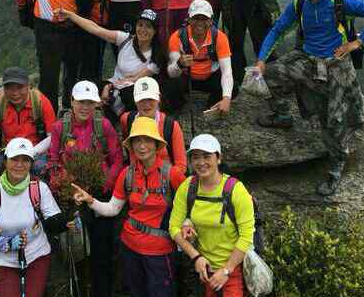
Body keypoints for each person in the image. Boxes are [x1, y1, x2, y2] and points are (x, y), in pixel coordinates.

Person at [256, 0, 364, 195]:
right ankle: (282, 114)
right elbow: (277, 30)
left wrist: (356, 43)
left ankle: (336, 167)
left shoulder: (340, 1)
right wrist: (260, 61)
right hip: (307, 61)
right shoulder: (299, 5)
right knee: (270, 75)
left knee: (334, 120)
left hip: (336, 64)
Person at [72, 116, 186, 297]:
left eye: (147, 140)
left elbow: (188, 209)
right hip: (130, 248)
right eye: (137, 141)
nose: (142, 146)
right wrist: (90, 200)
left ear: (157, 144)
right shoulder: (128, 174)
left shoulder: (172, 174)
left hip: (160, 252)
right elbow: (112, 209)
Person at [48, 81, 123, 297]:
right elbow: (53, 162)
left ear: (96, 105)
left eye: (90, 103)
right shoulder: (60, 128)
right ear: (72, 101)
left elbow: (117, 158)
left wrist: (105, 183)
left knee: (102, 252)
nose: (85, 107)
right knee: (77, 252)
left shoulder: (104, 126)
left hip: (99, 195)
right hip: (72, 197)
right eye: (81, 102)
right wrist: (66, 187)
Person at [0, 137, 72, 297]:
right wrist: (5, 243)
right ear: (5, 162)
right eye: (14, 159)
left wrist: (66, 222)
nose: (19, 164)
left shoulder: (39, 188)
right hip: (2, 260)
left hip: (36, 256)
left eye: (25, 160)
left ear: (31, 163)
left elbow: (53, 221)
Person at [170, 134, 255, 297]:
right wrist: (196, 258)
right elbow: (173, 227)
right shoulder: (187, 187)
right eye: (195, 157)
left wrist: (226, 270)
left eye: (207, 156)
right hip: (203, 269)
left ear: (218, 158)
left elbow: (246, 237)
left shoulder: (236, 190)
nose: (201, 162)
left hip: (233, 269)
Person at [55, 7, 165, 117]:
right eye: (140, 25)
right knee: (86, 86)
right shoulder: (126, 39)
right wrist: (70, 15)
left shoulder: (157, 54)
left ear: (155, 31)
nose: (143, 30)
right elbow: (95, 29)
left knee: (128, 94)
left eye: (148, 27)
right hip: (114, 84)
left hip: (133, 91)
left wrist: (109, 88)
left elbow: (133, 79)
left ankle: (116, 114)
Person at [0, 67, 56, 190]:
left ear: (28, 86)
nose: (15, 93)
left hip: (36, 151)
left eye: (19, 87)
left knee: (43, 172)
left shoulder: (41, 103)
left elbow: (53, 137)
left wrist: (31, 153)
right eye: (9, 88)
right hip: (6, 152)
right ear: (4, 88)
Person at [165, 0, 233, 114]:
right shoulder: (177, 37)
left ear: (211, 21)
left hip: (210, 77)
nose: (200, 23)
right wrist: (179, 64)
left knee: (232, 88)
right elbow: (171, 73)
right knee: (170, 85)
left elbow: (227, 71)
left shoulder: (220, 37)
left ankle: (215, 103)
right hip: (187, 78)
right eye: (196, 18)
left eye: (204, 19)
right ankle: (179, 103)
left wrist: (226, 98)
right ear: (189, 20)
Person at [119, 77, 187, 173]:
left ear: (159, 98)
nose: (146, 104)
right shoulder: (126, 120)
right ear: (135, 100)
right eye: (142, 99)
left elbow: (181, 166)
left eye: (151, 99)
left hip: (164, 181)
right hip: (135, 180)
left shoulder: (171, 126)